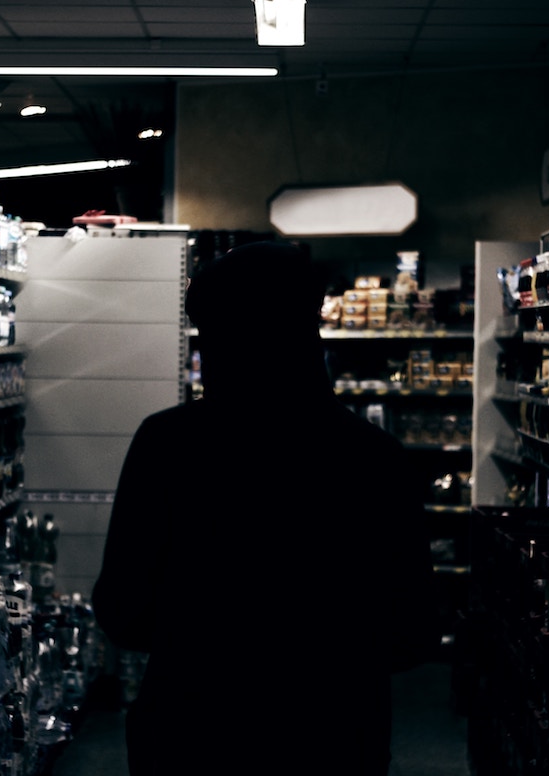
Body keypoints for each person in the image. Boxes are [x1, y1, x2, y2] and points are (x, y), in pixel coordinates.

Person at [93, 241, 440, 776]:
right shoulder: (375, 457)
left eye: (209, 339)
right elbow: (413, 633)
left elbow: (122, 612)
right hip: (333, 742)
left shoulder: (167, 445)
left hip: (193, 739)